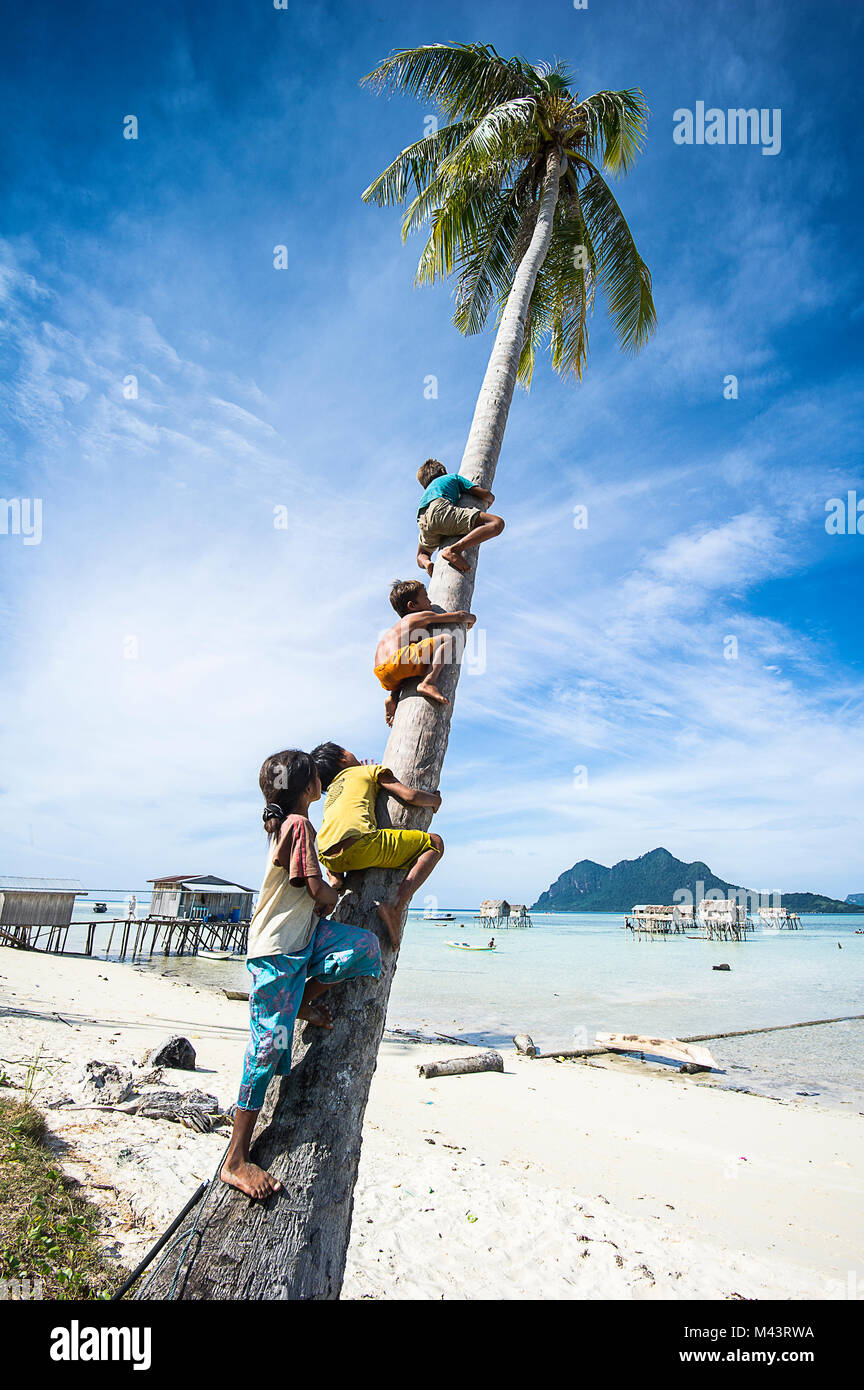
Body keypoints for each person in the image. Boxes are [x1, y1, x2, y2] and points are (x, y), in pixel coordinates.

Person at [221, 749, 382, 1200]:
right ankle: (235, 1158)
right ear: (309, 787)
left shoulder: (292, 827)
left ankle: (306, 1001)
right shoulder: (298, 826)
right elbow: (316, 891)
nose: (321, 779)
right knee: (268, 1047)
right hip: (276, 953)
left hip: (304, 939)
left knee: (364, 949)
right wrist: (339, 890)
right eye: (316, 775)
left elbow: (310, 893)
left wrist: (330, 894)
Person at [311, 741, 443, 950]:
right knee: (435, 843)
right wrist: (435, 801)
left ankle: (335, 882)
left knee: (339, 869)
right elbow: (410, 796)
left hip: (327, 853)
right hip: (361, 845)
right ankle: (396, 907)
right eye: (348, 749)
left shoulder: (335, 789)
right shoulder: (368, 771)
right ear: (343, 758)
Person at [373, 579, 476, 725]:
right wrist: (471, 618)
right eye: (426, 597)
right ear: (412, 605)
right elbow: (459, 616)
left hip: (383, 673)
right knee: (447, 639)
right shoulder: (418, 616)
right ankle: (428, 682)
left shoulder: (397, 629)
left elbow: (395, 663)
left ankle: (393, 697)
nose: (429, 601)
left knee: (408, 669)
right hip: (397, 661)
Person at [416, 458, 504, 575]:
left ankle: (427, 563)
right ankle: (454, 550)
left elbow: (420, 554)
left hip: (424, 520)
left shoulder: (426, 493)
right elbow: (484, 494)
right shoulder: (452, 477)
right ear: (442, 471)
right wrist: (490, 500)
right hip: (442, 511)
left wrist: (426, 562)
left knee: (422, 554)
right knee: (497, 523)